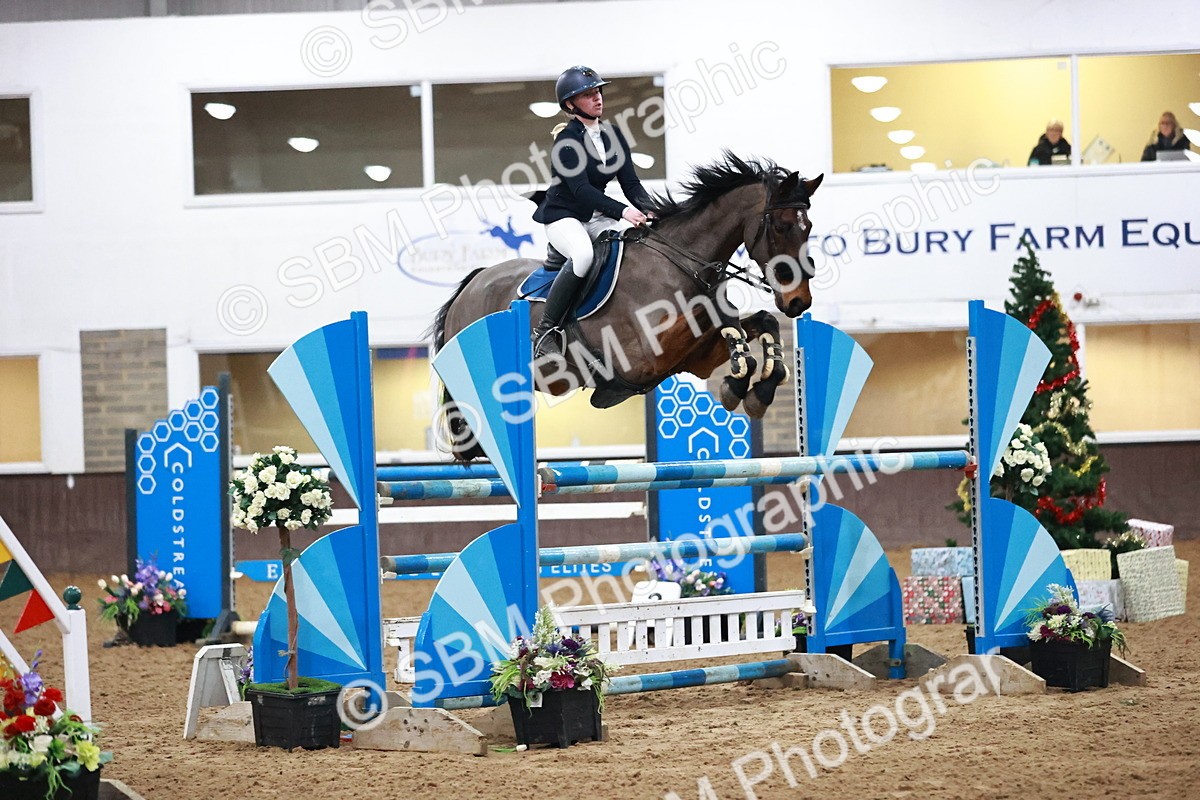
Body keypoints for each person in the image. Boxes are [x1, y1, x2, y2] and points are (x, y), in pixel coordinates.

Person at [530, 65, 654, 358]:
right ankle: (545, 331)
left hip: (596, 216)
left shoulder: (614, 135)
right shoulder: (566, 142)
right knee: (584, 255)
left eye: (598, 91)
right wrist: (624, 212)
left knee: (633, 247)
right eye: (588, 94)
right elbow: (581, 191)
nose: (597, 98)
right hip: (563, 216)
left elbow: (631, 183)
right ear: (570, 105)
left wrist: (653, 210)